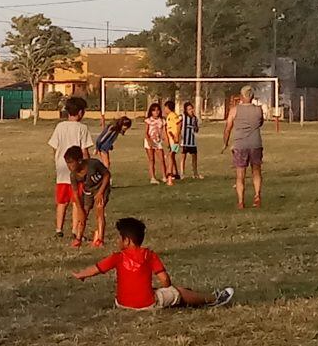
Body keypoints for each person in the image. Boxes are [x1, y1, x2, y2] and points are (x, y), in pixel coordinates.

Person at [72, 217, 234, 310]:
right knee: (179, 292)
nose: (117, 240)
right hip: (145, 304)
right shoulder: (149, 255)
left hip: (122, 303)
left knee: (162, 292)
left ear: (126, 241)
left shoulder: (117, 257)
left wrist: (81, 274)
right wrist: (167, 287)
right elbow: (165, 280)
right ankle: (213, 299)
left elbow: (96, 269)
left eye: (119, 237)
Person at [48, 97, 94, 238]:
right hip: (77, 169)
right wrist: (88, 167)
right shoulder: (82, 128)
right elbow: (84, 150)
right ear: (80, 112)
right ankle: (75, 230)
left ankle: (58, 229)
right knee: (76, 201)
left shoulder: (60, 126)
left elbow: (54, 147)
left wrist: (57, 161)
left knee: (61, 201)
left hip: (62, 168)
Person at [222, 85, 264, 209]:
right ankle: (257, 195)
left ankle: (241, 201)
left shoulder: (234, 110)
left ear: (241, 96)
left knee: (240, 174)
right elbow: (261, 123)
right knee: (256, 171)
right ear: (252, 96)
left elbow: (228, 128)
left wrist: (225, 142)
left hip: (240, 145)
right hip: (256, 144)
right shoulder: (259, 110)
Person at [65, 146, 110, 248]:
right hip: (88, 191)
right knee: (83, 214)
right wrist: (80, 210)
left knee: (99, 210)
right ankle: (78, 238)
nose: (69, 166)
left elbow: (107, 175)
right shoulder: (73, 175)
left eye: (71, 163)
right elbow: (75, 194)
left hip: (101, 188)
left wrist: (101, 192)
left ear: (80, 161)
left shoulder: (93, 164)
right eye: (67, 163)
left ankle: (100, 239)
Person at [143, 103, 170, 185]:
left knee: (162, 159)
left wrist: (167, 141)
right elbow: (146, 133)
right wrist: (149, 142)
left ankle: (164, 176)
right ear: (151, 112)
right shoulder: (148, 120)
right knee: (152, 160)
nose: (156, 112)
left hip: (158, 142)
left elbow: (164, 132)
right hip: (149, 142)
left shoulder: (162, 120)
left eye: (158, 110)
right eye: (154, 110)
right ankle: (152, 177)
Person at [180, 101, 202, 179]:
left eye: (191, 108)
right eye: (189, 109)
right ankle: (182, 173)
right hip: (184, 141)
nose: (191, 110)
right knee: (183, 157)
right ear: (186, 110)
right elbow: (179, 127)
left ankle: (195, 173)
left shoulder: (195, 118)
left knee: (194, 157)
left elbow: (196, 130)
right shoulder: (182, 117)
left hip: (192, 141)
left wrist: (196, 127)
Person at [163, 100, 182, 182]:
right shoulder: (169, 117)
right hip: (170, 139)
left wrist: (177, 136)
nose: (164, 110)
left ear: (168, 108)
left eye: (165, 108)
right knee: (171, 155)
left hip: (174, 139)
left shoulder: (173, 115)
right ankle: (176, 173)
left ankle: (169, 173)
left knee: (170, 155)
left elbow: (179, 124)